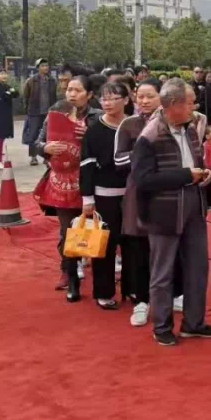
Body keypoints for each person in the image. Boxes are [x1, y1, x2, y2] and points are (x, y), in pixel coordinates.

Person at [132, 78, 211, 347]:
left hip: (194, 205)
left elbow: (197, 163)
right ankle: (162, 326)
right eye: (191, 102)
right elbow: (143, 180)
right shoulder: (149, 136)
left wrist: (204, 175)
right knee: (163, 272)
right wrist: (185, 175)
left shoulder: (191, 129)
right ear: (174, 104)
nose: (195, 107)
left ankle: (194, 323)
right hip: (163, 211)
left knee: (198, 268)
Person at [35, 74, 100, 302]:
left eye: (77, 90)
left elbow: (108, 146)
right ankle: (69, 274)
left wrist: (89, 136)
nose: (71, 94)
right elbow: (37, 143)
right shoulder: (54, 115)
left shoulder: (97, 117)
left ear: (89, 95)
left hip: (90, 181)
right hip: (62, 183)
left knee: (91, 228)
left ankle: (99, 270)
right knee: (67, 230)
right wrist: (45, 148)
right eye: (69, 90)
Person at [80, 81, 132, 310]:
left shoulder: (134, 126)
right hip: (105, 195)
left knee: (133, 243)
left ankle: (133, 288)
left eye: (113, 98)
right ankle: (104, 291)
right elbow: (87, 165)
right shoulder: (95, 130)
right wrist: (87, 198)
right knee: (105, 245)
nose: (107, 103)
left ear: (126, 100)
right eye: (104, 99)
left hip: (133, 194)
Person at [114, 78, 162, 326]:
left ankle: (169, 294)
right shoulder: (129, 124)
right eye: (140, 96)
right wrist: (142, 153)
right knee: (140, 249)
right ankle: (141, 300)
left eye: (150, 96)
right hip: (138, 192)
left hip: (166, 191)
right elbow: (118, 160)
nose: (144, 101)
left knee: (167, 247)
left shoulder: (173, 122)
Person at [22, 58, 56, 166]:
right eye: (42, 66)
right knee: (33, 134)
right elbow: (26, 96)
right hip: (34, 112)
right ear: (38, 68)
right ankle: (33, 157)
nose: (45, 67)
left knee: (48, 135)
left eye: (46, 65)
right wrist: (28, 110)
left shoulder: (52, 80)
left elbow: (55, 95)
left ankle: (46, 157)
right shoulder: (31, 81)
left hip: (49, 112)